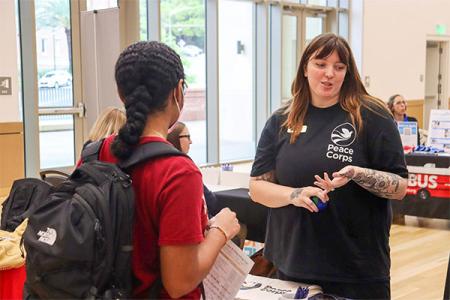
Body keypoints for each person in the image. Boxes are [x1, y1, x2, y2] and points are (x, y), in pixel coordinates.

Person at [249, 33, 408, 299]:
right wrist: (295, 194)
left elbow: (400, 187)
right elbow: (257, 187)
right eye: (320, 64)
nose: (329, 74)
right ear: (305, 67)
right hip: (293, 266)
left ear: (348, 71)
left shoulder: (373, 115)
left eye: (339, 66)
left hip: (356, 269)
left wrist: (358, 173)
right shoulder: (281, 120)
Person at [94, 41, 240, 299]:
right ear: (178, 92)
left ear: (121, 94)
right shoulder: (178, 172)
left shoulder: (95, 152)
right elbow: (179, 282)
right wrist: (221, 231)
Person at [167, 121, 221, 217]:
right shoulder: (186, 167)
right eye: (187, 137)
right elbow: (211, 202)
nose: (191, 141)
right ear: (175, 138)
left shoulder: (165, 165)